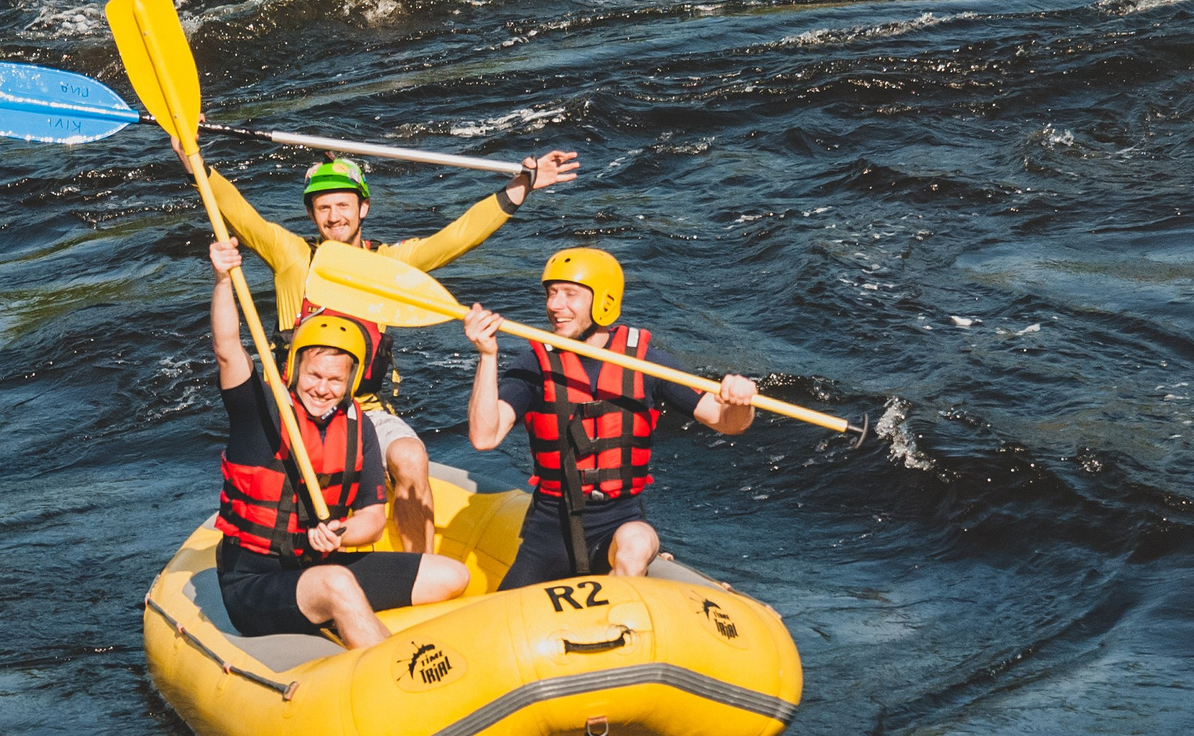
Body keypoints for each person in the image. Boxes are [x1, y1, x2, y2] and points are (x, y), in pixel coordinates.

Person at [177, 137, 580, 554]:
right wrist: (191, 157)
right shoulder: (291, 256)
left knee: (409, 455)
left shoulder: (388, 266)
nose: (334, 217)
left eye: (343, 205)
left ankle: (419, 570)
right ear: (312, 214)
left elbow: (457, 237)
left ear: (363, 208)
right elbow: (236, 210)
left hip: (360, 408)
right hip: (295, 409)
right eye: (323, 208)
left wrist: (523, 185)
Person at [204, 237, 470, 649]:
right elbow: (227, 350)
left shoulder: (360, 428)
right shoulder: (260, 412)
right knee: (337, 582)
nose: (322, 389)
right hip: (255, 583)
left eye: (335, 380)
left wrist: (341, 535)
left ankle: (351, 624)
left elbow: (373, 518)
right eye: (313, 375)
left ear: (351, 381)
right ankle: (398, 671)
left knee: (451, 575)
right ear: (294, 369)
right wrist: (223, 279)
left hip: (323, 564)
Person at [461, 247, 759, 591]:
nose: (555, 305)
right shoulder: (533, 364)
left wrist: (740, 401)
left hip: (617, 523)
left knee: (638, 541)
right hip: (550, 532)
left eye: (569, 294)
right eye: (551, 293)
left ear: (604, 302)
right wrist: (487, 355)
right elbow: (484, 437)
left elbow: (727, 422)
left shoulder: (645, 361)